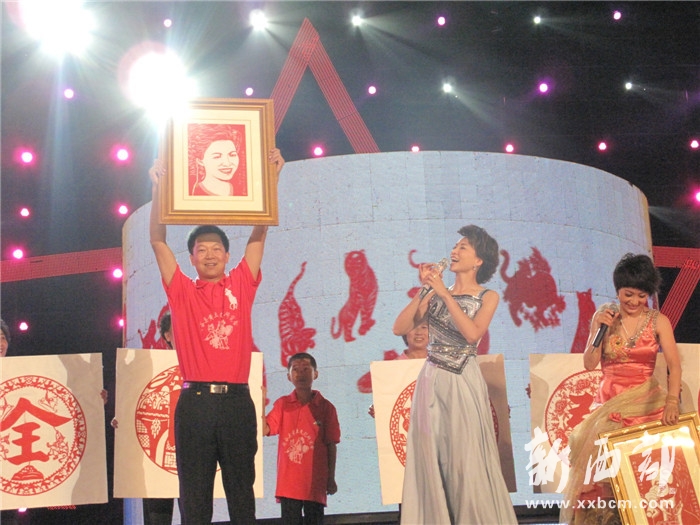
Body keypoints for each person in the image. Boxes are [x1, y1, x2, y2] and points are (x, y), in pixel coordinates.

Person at [148, 147, 284, 524]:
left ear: (227, 256)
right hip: (195, 404)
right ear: (191, 258)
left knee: (242, 493)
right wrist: (157, 188)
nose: (209, 255)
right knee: (194, 496)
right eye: (201, 250)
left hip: (238, 402)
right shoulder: (182, 290)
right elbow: (157, 240)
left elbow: (260, 233)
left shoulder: (241, 283)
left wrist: (272, 179)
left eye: (216, 249)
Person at [393, 225, 517, 524]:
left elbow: (472, 334)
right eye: (455, 246)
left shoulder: (488, 296)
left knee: (465, 456)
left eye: (463, 247)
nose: (454, 251)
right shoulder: (435, 294)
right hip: (432, 379)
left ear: (478, 260)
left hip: (463, 378)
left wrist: (444, 294)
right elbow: (400, 328)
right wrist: (425, 289)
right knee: (431, 455)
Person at [560, 253, 682, 525]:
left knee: (648, 472)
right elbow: (589, 363)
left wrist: (672, 402)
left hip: (646, 402)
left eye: (641, 296)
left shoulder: (658, 321)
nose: (634, 302)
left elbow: (675, 366)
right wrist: (598, 329)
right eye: (628, 294)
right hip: (609, 403)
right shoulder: (605, 316)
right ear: (617, 291)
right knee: (596, 463)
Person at [263, 352, 340, 525]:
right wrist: (259, 402)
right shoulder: (282, 404)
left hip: (315, 482)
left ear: (315, 374)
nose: (300, 373)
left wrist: (331, 478)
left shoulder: (326, 407)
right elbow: (264, 429)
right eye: (296, 369)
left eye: (306, 369)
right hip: (288, 483)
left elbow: (331, 445)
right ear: (289, 376)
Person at [367, 322, 428, 418]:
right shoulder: (391, 369)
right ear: (404, 332)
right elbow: (388, 406)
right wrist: (379, 410)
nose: (419, 332)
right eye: (413, 328)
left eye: (424, 327)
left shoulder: (441, 364)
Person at [188, 124, 246, 197]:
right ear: (200, 161)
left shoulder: (240, 189)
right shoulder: (196, 193)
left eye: (232, 155)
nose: (227, 163)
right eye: (217, 157)